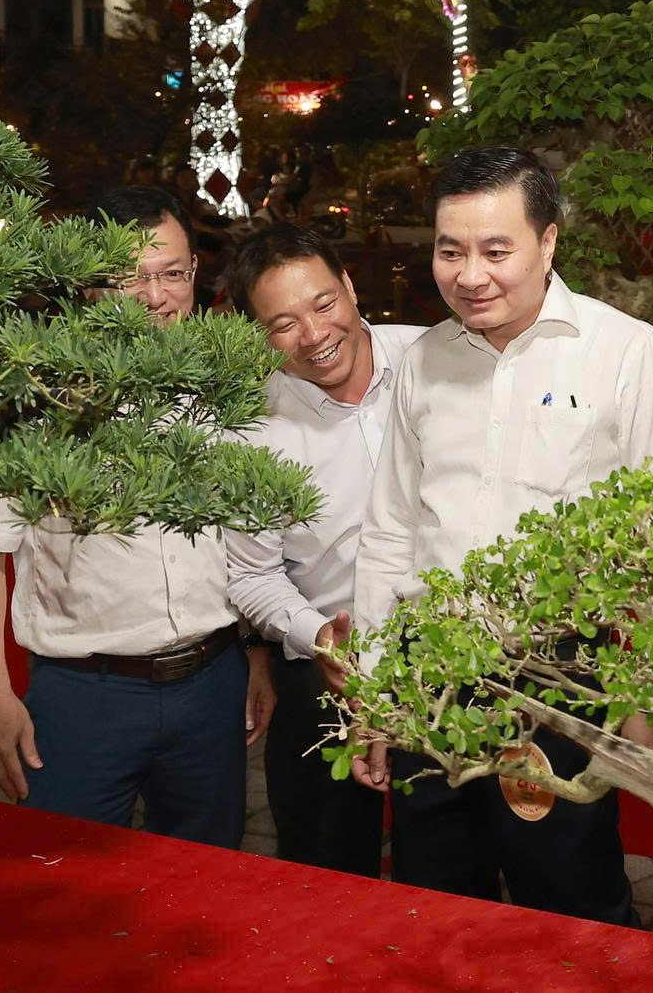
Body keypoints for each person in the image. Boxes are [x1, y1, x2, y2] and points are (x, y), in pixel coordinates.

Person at [347, 146, 653, 924]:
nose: (471, 275)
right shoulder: (425, 360)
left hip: (557, 677)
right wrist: (375, 690)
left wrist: (648, 699)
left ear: (549, 241)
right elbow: (390, 531)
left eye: (496, 250)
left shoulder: (625, 353)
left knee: (569, 903)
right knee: (436, 901)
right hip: (430, 674)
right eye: (451, 250)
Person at [0, 184, 269, 846]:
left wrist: (258, 655)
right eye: (130, 278)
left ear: (195, 271)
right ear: (89, 285)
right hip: (85, 693)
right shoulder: (37, 398)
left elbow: (252, 540)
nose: (155, 296)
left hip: (212, 683)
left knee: (208, 876)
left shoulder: (227, 384)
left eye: (172, 273)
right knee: (64, 874)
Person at [223, 222, 423, 875]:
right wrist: (319, 638)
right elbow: (251, 574)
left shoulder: (432, 362)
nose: (312, 334)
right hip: (325, 660)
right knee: (325, 869)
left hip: (451, 655)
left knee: (449, 861)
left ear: (350, 285)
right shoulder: (250, 426)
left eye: (323, 303)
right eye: (282, 324)